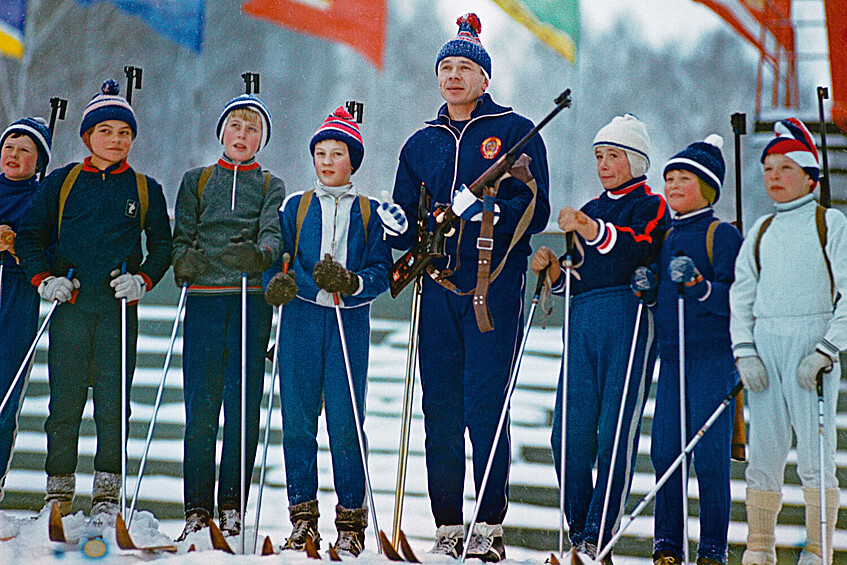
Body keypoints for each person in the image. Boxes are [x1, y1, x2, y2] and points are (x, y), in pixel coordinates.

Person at [387, 13, 550, 561]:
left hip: (492, 288)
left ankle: (489, 526)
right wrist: (410, 227)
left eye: (465, 67)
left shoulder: (514, 130)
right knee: (440, 411)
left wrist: (483, 212)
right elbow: (402, 220)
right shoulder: (420, 143)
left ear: (484, 77)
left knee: (486, 407)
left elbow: (534, 204)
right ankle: (447, 525)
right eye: (446, 67)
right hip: (434, 292)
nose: (454, 76)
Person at [15, 80, 172, 522]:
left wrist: (142, 279)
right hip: (70, 305)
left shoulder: (144, 188)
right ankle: (58, 492)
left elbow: (162, 246)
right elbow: (30, 238)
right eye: (105, 131)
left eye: (124, 133)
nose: (116, 140)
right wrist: (44, 280)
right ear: (87, 136)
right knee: (63, 404)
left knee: (112, 404)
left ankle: (107, 494)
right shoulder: (63, 183)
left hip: (117, 310)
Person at [531, 114, 668, 559]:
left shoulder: (650, 204)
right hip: (584, 320)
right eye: (598, 157)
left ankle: (598, 532)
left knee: (613, 433)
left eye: (613, 156)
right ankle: (580, 532)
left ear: (635, 160)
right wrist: (553, 269)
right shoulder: (589, 208)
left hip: (628, 318)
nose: (604, 165)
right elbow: (575, 277)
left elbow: (640, 249)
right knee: (567, 436)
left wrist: (591, 231)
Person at [262, 106, 396, 557]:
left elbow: (382, 270)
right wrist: (282, 285)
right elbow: (276, 259)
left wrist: (352, 284)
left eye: (336, 153)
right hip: (301, 321)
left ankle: (352, 523)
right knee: (298, 420)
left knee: (344, 422)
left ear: (352, 160)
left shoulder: (369, 211)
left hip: (347, 323)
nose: (326, 161)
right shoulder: (295, 206)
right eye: (320, 152)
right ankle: (302, 519)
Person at [730, 118, 844, 565]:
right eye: (768, 169)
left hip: (810, 349)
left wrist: (826, 348)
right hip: (765, 349)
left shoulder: (829, 224)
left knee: (817, 453)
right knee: (764, 450)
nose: (773, 177)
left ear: (810, 175)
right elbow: (742, 295)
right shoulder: (759, 232)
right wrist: (745, 352)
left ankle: (818, 547)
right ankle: (759, 544)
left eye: (784, 168)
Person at [170, 94, 283, 540]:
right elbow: (182, 236)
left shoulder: (270, 183)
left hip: (247, 300)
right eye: (235, 125)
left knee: (241, 407)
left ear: (261, 140)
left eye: (252, 128)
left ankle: (232, 505)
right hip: (204, 299)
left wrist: (260, 254)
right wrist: (184, 262)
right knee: (201, 409)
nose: (242, 134)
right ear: (222, 132)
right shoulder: (197, 181)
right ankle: (197, 507)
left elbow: (273, 232)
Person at [630, 135, 742, 565]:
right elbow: (661, 294)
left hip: (712, 360)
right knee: (665, 453)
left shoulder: (721, 234)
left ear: (708, 187)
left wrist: (700, 286)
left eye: (683, 179)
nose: (673, 186)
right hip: (672, 360)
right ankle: (668, 544)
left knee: (710, 456)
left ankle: (713, 548)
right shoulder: (666, 234)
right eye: (669, 179)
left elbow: (737, 298)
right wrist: (648, 291)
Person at [0, 117, 52, 502]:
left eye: (24, 150)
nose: (14, 156)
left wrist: (18, 247)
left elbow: (50, 253)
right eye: (8, 147)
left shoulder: (42, 200)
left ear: (38, 161)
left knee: (4, 394)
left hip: (17, 300)